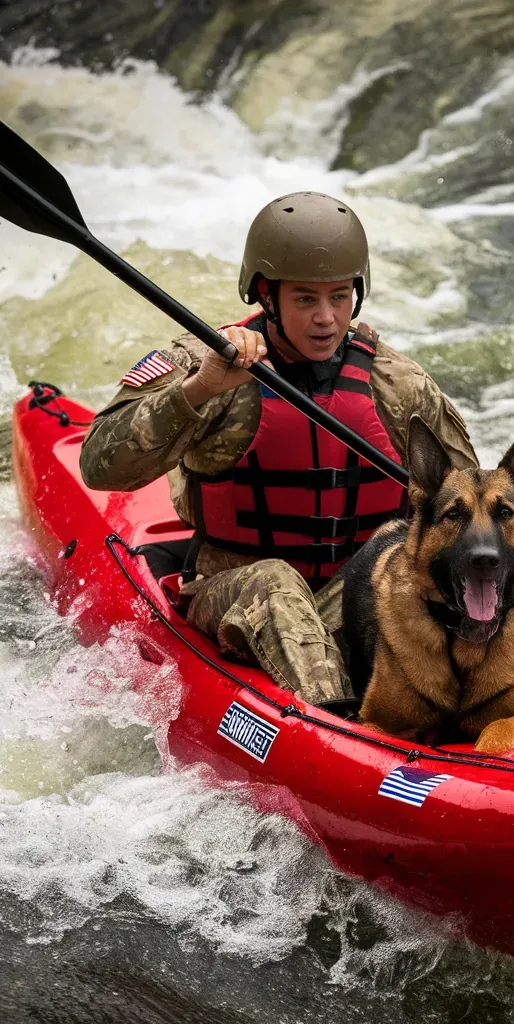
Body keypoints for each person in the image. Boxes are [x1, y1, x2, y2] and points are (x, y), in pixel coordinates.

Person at [80, 192, 477, 705]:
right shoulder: (205, 365)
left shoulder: (397, 385)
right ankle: (338, 722)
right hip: (235, 590)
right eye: (306, 299)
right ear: (266, 295)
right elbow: (100, 466)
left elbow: (473, 505)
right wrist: (198, 391)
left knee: (402, 548)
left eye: (339, 296)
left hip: (347, 593)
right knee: (276, 582)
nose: (327, 319)